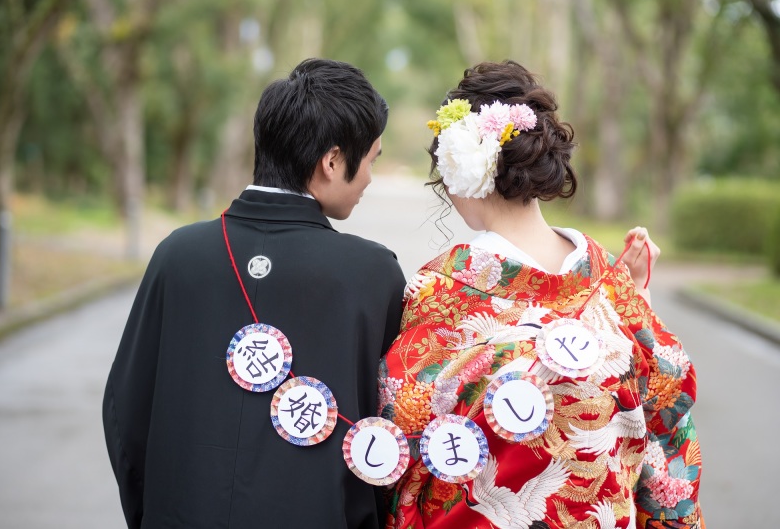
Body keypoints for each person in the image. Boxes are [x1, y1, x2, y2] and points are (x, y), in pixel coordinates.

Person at [378, 61, 703, 528]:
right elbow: (667, 409)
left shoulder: (443, 290)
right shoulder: (607, 277)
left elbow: (399, 433)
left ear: (459, 169)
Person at [103, 58, 406, 528]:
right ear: (332, 161)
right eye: (371, 160)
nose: (369, 178)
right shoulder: (370, 273)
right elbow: (391, 427)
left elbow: (126, 410)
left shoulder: (177, 255)